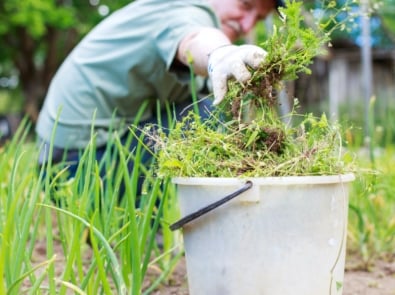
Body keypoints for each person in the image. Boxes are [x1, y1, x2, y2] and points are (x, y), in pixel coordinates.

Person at [36, 0, 284, 195]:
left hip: (76, 159)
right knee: (207, 112)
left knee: (204, 106)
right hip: (74, 166)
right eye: (245, 5)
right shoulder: (185, 10)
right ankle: (136, 222)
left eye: (259, 18)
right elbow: (193, 38)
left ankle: (145, 220)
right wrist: (221, 54)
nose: (247, 24)